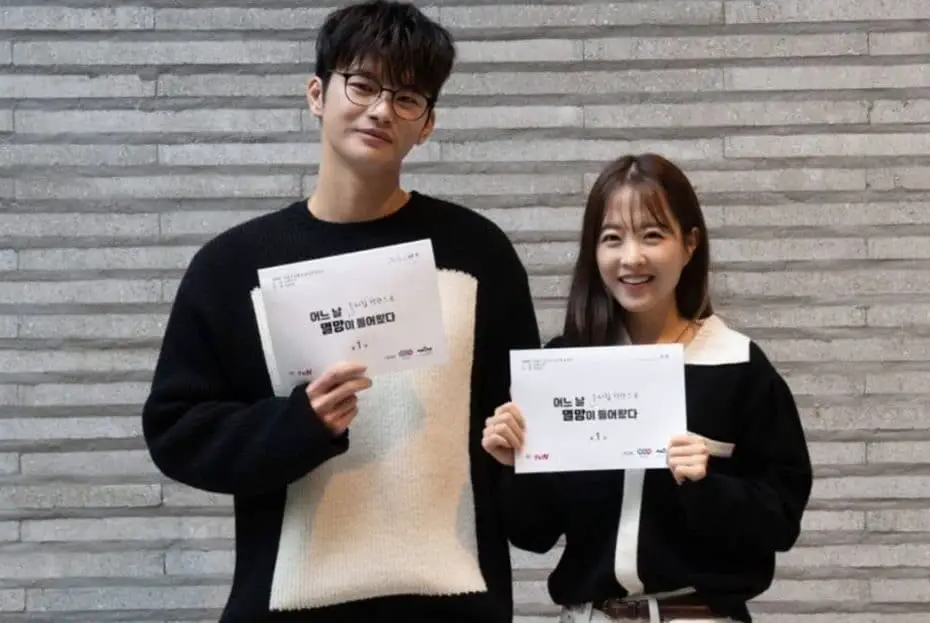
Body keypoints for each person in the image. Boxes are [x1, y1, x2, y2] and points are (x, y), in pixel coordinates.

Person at [141, 2, 540, 621]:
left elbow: (522, 428)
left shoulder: (476, 252)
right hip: (287, 603)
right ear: (316, 93)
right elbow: (177, 431)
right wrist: (300, 424)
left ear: (427, 124)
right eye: (361, 85)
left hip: (453, 601)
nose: (382, 110)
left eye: (408, 97)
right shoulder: (234, 265)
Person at [483, 154, 813, 623]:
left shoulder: (737, 365)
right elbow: (532, 533)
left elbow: (780, 520)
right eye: (612, 238)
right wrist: (513, 464)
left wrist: (706, 485)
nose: (631, 257)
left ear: (690, 243)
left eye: (652, 235)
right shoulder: (566, 366)